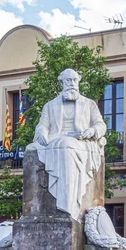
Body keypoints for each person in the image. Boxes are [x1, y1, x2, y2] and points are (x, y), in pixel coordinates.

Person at [26, 68, 106, 219]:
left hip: (81, 141)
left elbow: (100, 125)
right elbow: (42, 125)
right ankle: (40, 210)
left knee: (66, 145)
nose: (72, 83)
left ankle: (68, 205)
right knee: (31, 148)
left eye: (75, 80)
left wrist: (91, 132)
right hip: (55, 139)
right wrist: (42, 134)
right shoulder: (50, 106)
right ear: (61, 82)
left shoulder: (89, 104)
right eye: (68, 80)